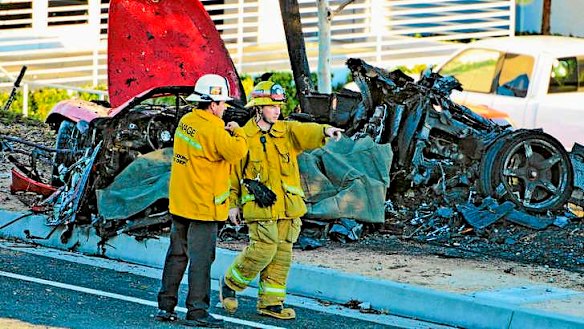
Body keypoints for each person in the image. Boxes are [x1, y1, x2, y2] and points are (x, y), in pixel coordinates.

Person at [219, 81, 344, 320]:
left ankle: (271, 303)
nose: (277, 110)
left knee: (281, 255)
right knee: (263, 250)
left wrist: (325, 130)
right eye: (271, 106)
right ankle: (231, 283)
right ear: (259, 108)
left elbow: (306, 131)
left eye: (278, 106)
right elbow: (233, 174)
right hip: (260, 207)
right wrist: (233, 204)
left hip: (288, 207)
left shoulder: (286, 131)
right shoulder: (243, 136)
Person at [156, 74, 247, 328]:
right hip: (204, 207)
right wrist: (238, 132)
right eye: (223, 103)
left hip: (182, 203)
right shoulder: (214, 129)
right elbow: (237, 152)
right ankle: (197, 311)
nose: (226, 107)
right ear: (213, 103)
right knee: (201, 261)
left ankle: (165, 306)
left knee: (176, 255)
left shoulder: (187, 121)